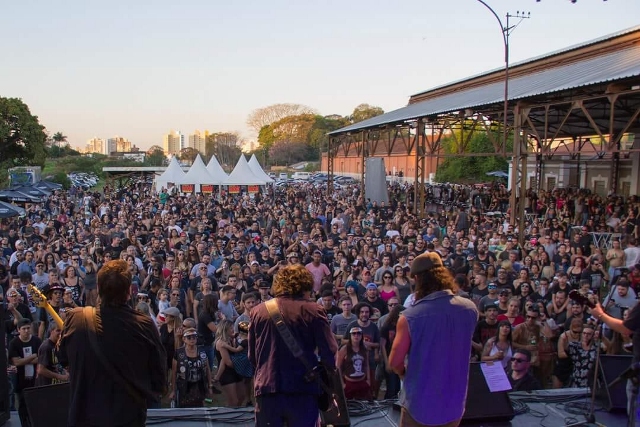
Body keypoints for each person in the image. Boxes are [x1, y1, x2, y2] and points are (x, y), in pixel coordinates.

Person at [58, 259, 167, 427]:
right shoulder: (144, 325)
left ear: (99, 288)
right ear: (129, 291)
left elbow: (62, 357)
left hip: (84, 418)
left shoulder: (76, 319)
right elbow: (159, 381)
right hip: (127, 418)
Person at [389, 251, 478, 427]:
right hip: (454, 402)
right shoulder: (470, 309)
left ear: (418, 279)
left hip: (419, 404)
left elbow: (394, 361)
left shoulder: (410, 317)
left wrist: (403, 374)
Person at [248, 264, 338, 427]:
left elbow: (252, 356)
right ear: (305, 285)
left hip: (268, 388)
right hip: (303, 388)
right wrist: (329, 387)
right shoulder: (313, 310)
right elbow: (329, 353)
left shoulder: (258, 311)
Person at [8, 318, 41, 427]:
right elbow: (16, 362)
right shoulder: (14, 343)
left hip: (35, 380)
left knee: (36, 405)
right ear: (18, 330)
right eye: (24, 329)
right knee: (22, 406)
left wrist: (24, 360)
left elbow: (40, 359)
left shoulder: (36, 341)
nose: (26, 331)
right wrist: (32, 356)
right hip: (20, 380)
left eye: (28, 328)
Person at [170, 327, 212, 408]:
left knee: (199, 408)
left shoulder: (202, 351)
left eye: (194, 337)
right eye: (189, 337)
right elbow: (174, 372)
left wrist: (210, 386)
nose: (192, 339)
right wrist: (173, 390)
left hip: (199, 386)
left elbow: (207, 370)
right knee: (184, 409)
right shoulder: (179, 353)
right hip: (184, 387)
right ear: (184, 339)